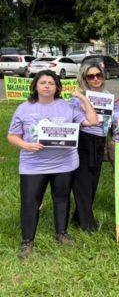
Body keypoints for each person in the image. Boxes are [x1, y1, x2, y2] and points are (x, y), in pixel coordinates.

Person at [8, 70, 98, 259]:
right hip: (33, 165)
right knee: (30, 202)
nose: (47, 85)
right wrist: (26, 145)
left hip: (64, 163)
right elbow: (12, 136)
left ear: (58, 87)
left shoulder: (67, 107)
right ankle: (27, 241)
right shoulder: (24, 108)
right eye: (43, 82)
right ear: (35, 86)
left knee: (61, 198)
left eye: (51, 82)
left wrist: (83, 98)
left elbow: (93, 121)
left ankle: (61, 234)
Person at [70, 63, 113, 232]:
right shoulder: (77, 96)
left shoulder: (107, 95)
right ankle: (88, 225)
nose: (95, 78)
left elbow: (110, 121)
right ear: (84, 78)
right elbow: (71, 118)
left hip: (100, 141)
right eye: (91, 76)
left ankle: (77, 219)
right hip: (83, 139)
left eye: (98, 75)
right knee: (83, 183)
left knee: (93, 182)